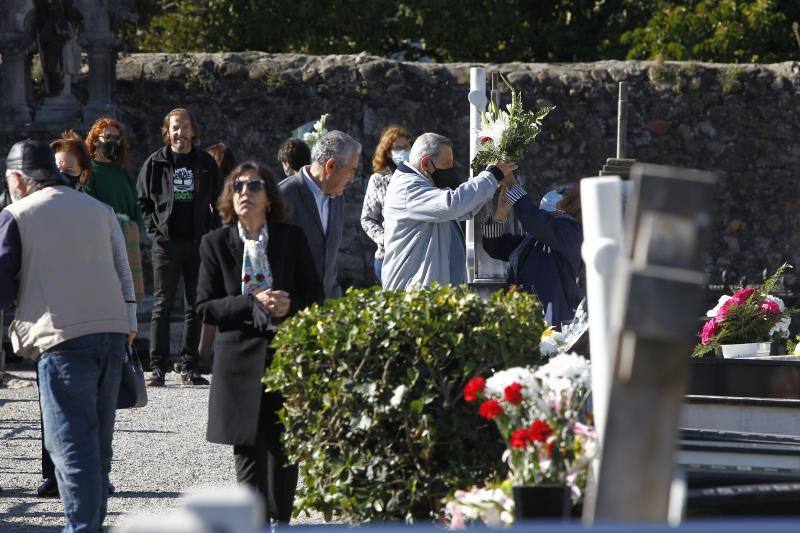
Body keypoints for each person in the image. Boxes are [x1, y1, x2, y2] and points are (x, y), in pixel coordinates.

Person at [0, 139, 137, 532]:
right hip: (111, 331)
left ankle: (81, 529)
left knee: (70, 447)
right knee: (97, 445)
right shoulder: (99, 210)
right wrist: (129, 317)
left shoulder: (17, 214)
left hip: (62, 338)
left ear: (16, 179)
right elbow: (120, 266)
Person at [196, 162, 323, 524]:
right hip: (238, 361)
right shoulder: (214, 243)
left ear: (268, 196)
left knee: (284, 451)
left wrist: (290, 305)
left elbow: (314, 293)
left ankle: (282, 523)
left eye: (253, 186)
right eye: (237, 187)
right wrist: (250, 302)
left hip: (285, 357)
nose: (244, 193)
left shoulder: (291, 238)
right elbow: (205, 307)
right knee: (248, 453)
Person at [137, 108, 221, 386]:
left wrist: (210, 232)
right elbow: (142, 202)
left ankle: (189, 366)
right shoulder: (155, 163)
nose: (180, 132)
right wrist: (155, 231)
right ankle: (157, 367)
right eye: (175, 127)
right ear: (167, 131)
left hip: (197, 243)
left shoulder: (206, 162)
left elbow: (221, 201)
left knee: (194, 306)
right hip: (166, 245)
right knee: (161, 305)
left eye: (185, 127)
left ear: (193, 131)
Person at [381, 133, 517, 290]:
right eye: (446, 166)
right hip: (413, 294)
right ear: (425, 164)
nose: (450, 171)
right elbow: (452, 205)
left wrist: (493, 180)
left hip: (434, 293)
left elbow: (462, 211)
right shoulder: (407, 188)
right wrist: (492, 176)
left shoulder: (427, 184)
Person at [482, 184, 583, 327]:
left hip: (551, 322)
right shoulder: (533, 241)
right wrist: (500, 215)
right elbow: (495, 247)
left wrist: (511, 184)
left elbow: (533, 219)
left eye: (547, 216)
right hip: (522, 318)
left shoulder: (571, 233)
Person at [280, 130, 361, 300]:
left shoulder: (337, 196)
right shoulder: (284, 196)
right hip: (292, 312)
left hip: (329, 308)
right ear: (330, 166)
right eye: (351, 171)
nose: (352, 179)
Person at [85, 117, 146, 303]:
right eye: (107, 137)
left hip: (128, 236)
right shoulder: (89, 171)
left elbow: (135, 205)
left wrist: (138, 229)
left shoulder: (122, 173)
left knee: (128, 292)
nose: (113, 142)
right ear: (95, 140)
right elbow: (90, 203)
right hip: (103, 236)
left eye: (116, 138)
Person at [197, 143, 238, 365]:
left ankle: (202, 352)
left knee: (209, 301)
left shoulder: (210, 184)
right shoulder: (235, 186)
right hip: (231, 248)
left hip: (212, 246)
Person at [360, 125, 413, 282]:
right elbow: (367, 219)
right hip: (388, 257)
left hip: (416, 255)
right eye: (397, 148)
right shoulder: (379, 180)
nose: (402, 151)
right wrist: (386, 239)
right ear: (388, 153)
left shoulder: (421, 177)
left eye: (405, 147)